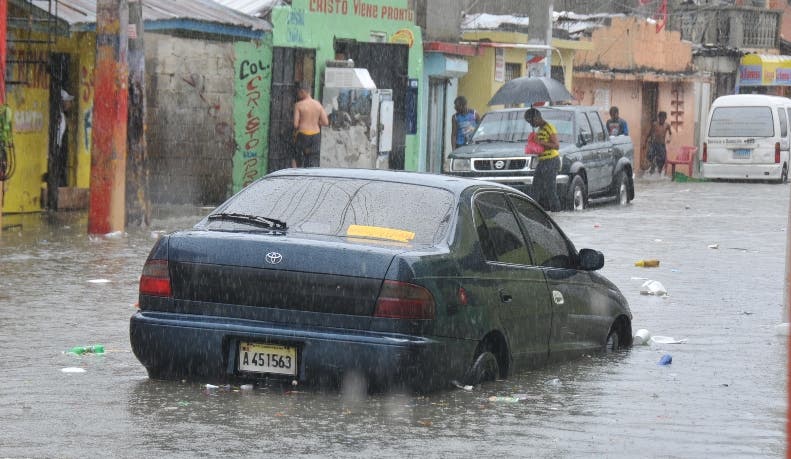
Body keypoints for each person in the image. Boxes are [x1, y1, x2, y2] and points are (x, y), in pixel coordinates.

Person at [524, 107, 561, 212]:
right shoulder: (539, 129)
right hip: (542, 161)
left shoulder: (549, 127)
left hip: (551, 161)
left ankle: (556, 211)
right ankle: (532, 212)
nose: (531, 124)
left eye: (531, 121)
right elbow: (541, 147)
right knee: (535, 188)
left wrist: (540, 142)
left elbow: (556, 146)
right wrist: (533, 144)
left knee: (550, 190)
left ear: (537, 118)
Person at [292, 82, 329, 168]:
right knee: (313, 159)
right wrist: (316, 122)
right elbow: (325, 122)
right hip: (315, 135)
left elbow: (295, 124)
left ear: (302, 92)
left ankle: (297, 177)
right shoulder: (318, 105)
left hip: (302, 135)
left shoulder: (298, 105)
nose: (298, 95)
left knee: (298, 158)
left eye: (298, 93)